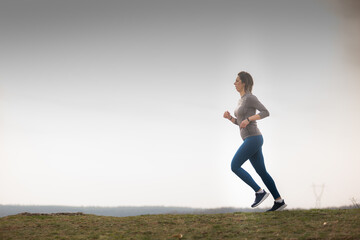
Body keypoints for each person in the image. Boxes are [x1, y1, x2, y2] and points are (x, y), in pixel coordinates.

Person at [223, 71, 287, 211]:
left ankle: (259, 192)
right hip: (250, 139)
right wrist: (230, 118)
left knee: (235, 166)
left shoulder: (250, 98)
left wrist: (249, 119)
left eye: (237, 81)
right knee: (262, 172)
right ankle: (279, 201)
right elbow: (240, 123)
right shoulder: (241, 100)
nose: (234, 83)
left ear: (244, 83)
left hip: (254, 138)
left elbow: (265, 112)